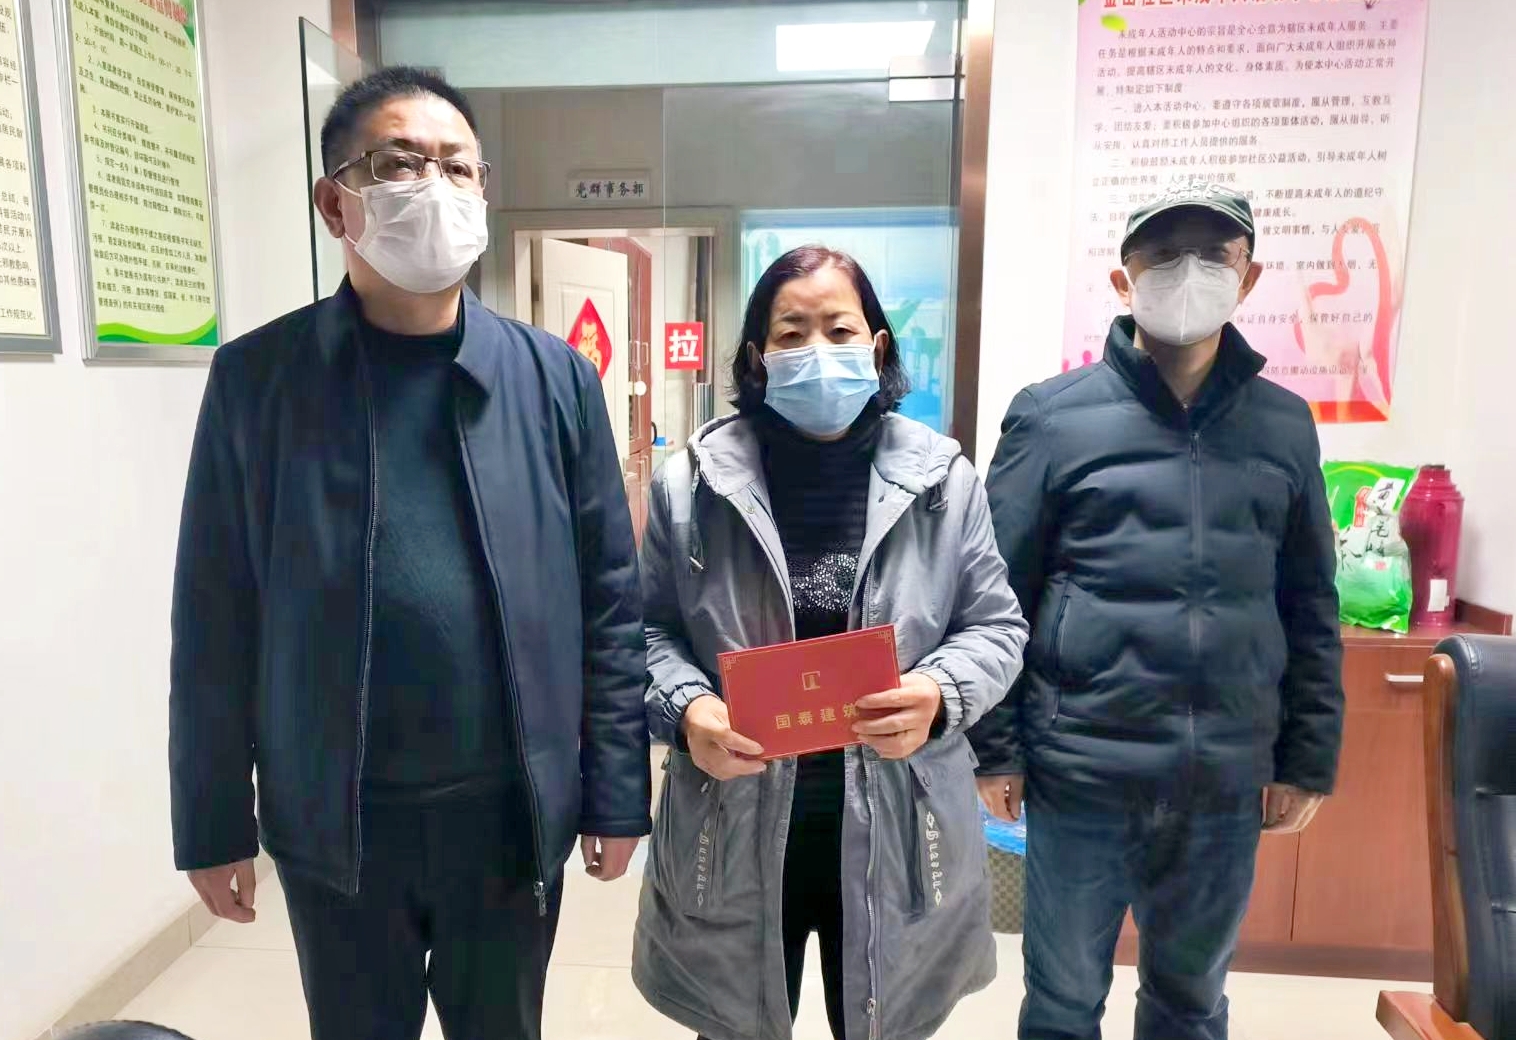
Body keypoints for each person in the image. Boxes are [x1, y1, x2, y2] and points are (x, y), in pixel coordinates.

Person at [167, 67, 650, 1040]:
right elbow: (215, 616)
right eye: (399, 163)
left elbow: (609, 602)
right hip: (338, 821)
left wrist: (616, 791)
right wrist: (213, 820)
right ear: (334, 202)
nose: (435, 185)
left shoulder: (554, 380)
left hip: (509, 817)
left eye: (458, 167)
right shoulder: (259, 382)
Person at [973, 180, 1345, 1040]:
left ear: (1248, 278)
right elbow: (996, 595)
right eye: (1164, 254)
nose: (1188, 271)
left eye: (1213, 254)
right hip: (1082, 774)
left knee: (1192, 1003)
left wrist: (1310, 756)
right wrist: (994, 748)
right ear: (1123, 279)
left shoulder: (1285, 425)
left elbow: (1310, 603)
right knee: (1062, 1003)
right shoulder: (1051, 418)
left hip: (1223, 781)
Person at [632, 246, 1029, 1040]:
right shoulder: (692, 484)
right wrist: (687, 708)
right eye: (792, 332)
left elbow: (997, 626)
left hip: (898, 822)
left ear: (877, 346)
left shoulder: (942, 482)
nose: (817, 349)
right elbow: (643, 631)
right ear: (758, 357)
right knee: (740, 1024)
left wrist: (938, 694)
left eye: (839, 329)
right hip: (735, 822)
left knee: (884, 1021)